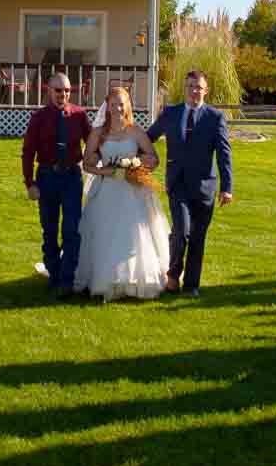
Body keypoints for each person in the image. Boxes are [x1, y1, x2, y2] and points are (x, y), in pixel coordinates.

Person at [74, 87, 168, 301]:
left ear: (128, 106)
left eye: (122, 103)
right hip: (106, 189)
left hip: (133, 190)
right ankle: (104, 279)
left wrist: (137, 165)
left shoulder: (135, 131)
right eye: (114, 103)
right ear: (107, 106)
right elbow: (87, 163)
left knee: (134, 235)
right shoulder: (98, 134)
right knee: (105, 233)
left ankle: (133, 280)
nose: (117, 108)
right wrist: (105, 171)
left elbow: (153, 159)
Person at [148, 69, 233, 297]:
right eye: (191, 86)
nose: (195, 91)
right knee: (181, 231)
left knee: (197, 237)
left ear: (206, 91)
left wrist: (227, 188)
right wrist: (135, 155)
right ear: (185, 89)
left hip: (205, 187)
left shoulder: (215, 118)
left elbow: (224, 154)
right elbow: (149, 137)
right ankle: (173, 274)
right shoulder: (171, 113)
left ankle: (191, 286)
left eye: (199, 87)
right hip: (177, 184)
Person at [22, 73, 92, 297]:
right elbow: (27, 153)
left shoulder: (79, 116)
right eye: (58, 90)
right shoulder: (38, 118)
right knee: (50, 230)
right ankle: (54, 273)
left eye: (67, 91)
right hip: (47, 178)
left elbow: (91, 143)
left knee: (72, 230)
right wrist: (30, 183)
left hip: (72, 177)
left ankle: (66, 279)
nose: (63, 95)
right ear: (48, 90)